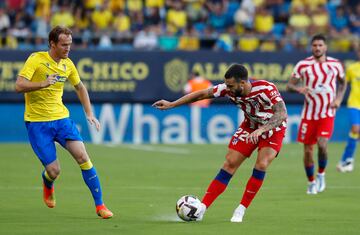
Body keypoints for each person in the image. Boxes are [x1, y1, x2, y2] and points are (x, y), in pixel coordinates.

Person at [153, 64, 287, 222]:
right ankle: (202, 208)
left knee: (262, 164)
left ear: (242, 83)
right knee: (230, 163)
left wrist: (262, 130)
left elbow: (282, 113)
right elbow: (201, 94)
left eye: (231, 85)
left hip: (273, 128)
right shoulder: (227, 88)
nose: (227, 89)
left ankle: (241, 209)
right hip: (250, 126)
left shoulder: (266, 89)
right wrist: (172, 104)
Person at [15, 26, 113, 219]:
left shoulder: (68, 64)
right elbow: (19, 85)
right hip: (37, 123)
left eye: (70, 44)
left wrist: (89, 113)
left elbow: (80, 87)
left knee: (83, 157)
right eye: (64, 44)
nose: (68, 48)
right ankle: (47, 181)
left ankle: (100, 205)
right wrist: (41, 84)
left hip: (61, 119)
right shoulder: (36, 59)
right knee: (54, 170)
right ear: (52, 44)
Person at [286, 34, 346, 194]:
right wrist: (299, 88)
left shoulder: (335, 64)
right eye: (314, 45)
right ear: (311, 47)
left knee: (322, 144)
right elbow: (289, 85)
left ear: (325, 47)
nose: (317, 48)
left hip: (327, 111)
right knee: (307, 150)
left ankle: (321, 174)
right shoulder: (303, 65)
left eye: (320, 45)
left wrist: (339, 99)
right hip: (309, 113)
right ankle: (311, 182)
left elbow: (343, 82)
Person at [337, 48, 360, 172]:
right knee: (355, 128)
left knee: (356, 133)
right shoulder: (352, 68)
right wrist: (338, 99)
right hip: (355, 104)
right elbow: (344, 85)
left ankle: (345, 159)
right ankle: (348, 160)